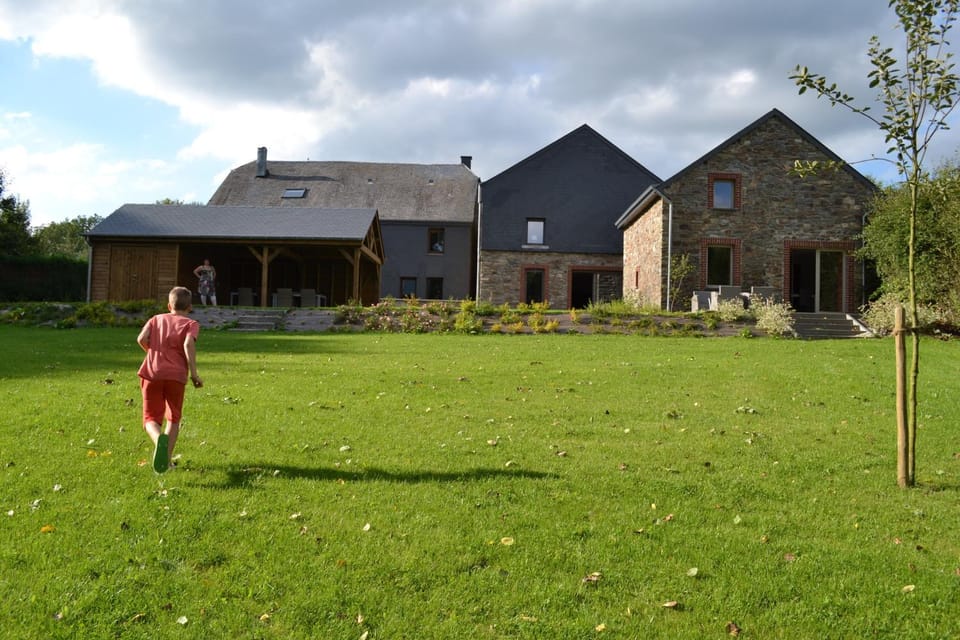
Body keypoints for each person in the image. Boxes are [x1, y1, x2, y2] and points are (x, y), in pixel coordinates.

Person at [137, 286, 204, 473]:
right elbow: (188, 343)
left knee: (150, 418)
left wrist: (153, 354)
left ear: (168, 305)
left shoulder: (156, 319)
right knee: (173, 418)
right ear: (189, 307)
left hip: (151, 373)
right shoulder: (191, 324)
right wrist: (194, 373)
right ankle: (166, 460)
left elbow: (141, 339)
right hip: (176, 376)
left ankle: (158, 440)